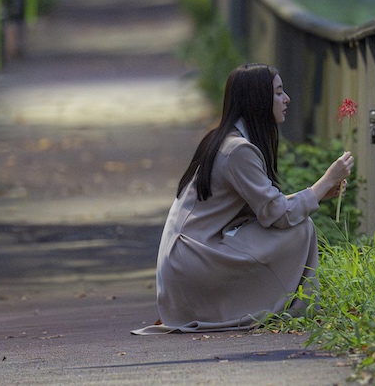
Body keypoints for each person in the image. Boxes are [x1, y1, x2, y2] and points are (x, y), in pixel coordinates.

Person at [131, 63, 354, 334]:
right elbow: (279, 215)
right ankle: (295, 307)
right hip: (193, 261)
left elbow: (270, 207)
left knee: (298, 223)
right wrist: (327, 180)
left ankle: (289, 305)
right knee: (300, 228)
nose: (287, 99)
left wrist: (318, 191)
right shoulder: (238, 150)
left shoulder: (224, 140)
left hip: (186, 259)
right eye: (279, 93)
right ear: (258, 100)